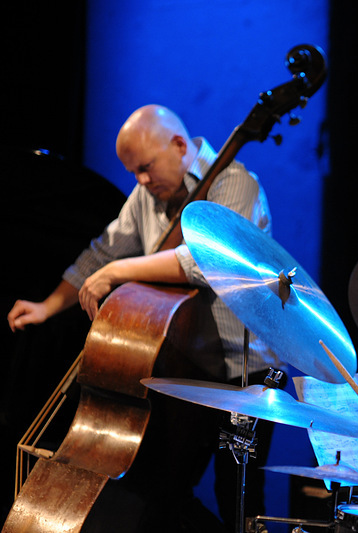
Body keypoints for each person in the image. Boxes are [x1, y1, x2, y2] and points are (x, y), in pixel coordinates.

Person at [7, 104, 282, 531]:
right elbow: (103, 250)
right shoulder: (148, 193)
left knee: (237, 503)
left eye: (146, 168)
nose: (141, 181)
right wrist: (48, 306)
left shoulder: (235, 184)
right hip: (188, 370)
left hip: (244, 372)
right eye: (134, 172)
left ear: (177, 145)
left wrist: (117, 273)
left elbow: (202, 262)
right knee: (158, 492)